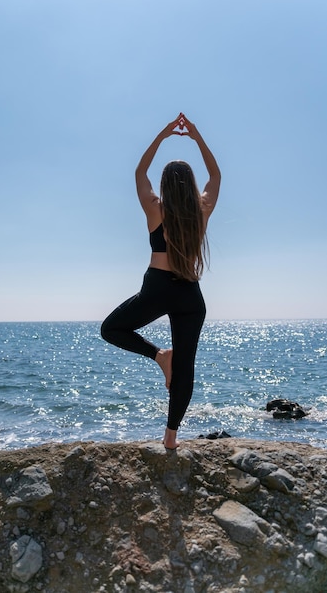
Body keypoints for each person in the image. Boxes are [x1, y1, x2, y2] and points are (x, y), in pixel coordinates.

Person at [100, 113, 221, 451]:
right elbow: (215, 175)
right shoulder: (202, 209)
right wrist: (196, 136)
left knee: (111, 329)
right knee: (186, 367)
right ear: (190, 183)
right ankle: (170, 437)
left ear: (166, 185)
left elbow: (140, 172)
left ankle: (158, 357)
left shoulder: (155, 208)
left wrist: (164, 135)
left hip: (157, 288)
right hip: (189, 295)